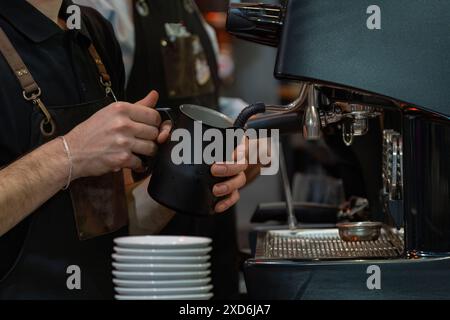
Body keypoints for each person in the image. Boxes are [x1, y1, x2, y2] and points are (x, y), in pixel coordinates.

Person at [0, 0, 248, 300]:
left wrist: (190, 174)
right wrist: (71, 153)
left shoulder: (92, 32)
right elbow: (74, 156)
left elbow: (117, 225)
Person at [74, 0, 262, 299]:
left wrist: (249, 144)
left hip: (211, 238)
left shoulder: (191, 14)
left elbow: (212, 104)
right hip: (146, 254)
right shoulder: (105, 13)